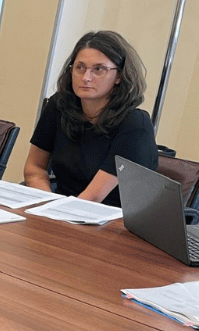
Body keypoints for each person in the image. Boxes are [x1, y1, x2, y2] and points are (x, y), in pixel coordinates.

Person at [24, 30, 157, 206]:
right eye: (80, 67)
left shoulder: (134, 124)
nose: (86, 77)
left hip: (112, 221)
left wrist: (55, 212)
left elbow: (93, 198)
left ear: (119, 76)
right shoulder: (59, 105)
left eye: (98, 69)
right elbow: (34, 168)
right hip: (62, 208)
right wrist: (46, 201)